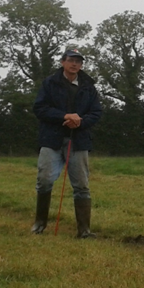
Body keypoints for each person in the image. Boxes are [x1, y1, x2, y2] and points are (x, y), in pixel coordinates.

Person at [31, 48, 103, 238]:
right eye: (71, 60)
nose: (75, 64)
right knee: (44, 179)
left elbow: (96, 113)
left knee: (81, 184)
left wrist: (80, 121)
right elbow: (39, 108)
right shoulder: (49, 83)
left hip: (78, 141)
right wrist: (63, 116)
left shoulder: (89, 87)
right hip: (51, 139)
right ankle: (39, 223)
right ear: (63, 62)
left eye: (79, 61)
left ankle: (84, 230)